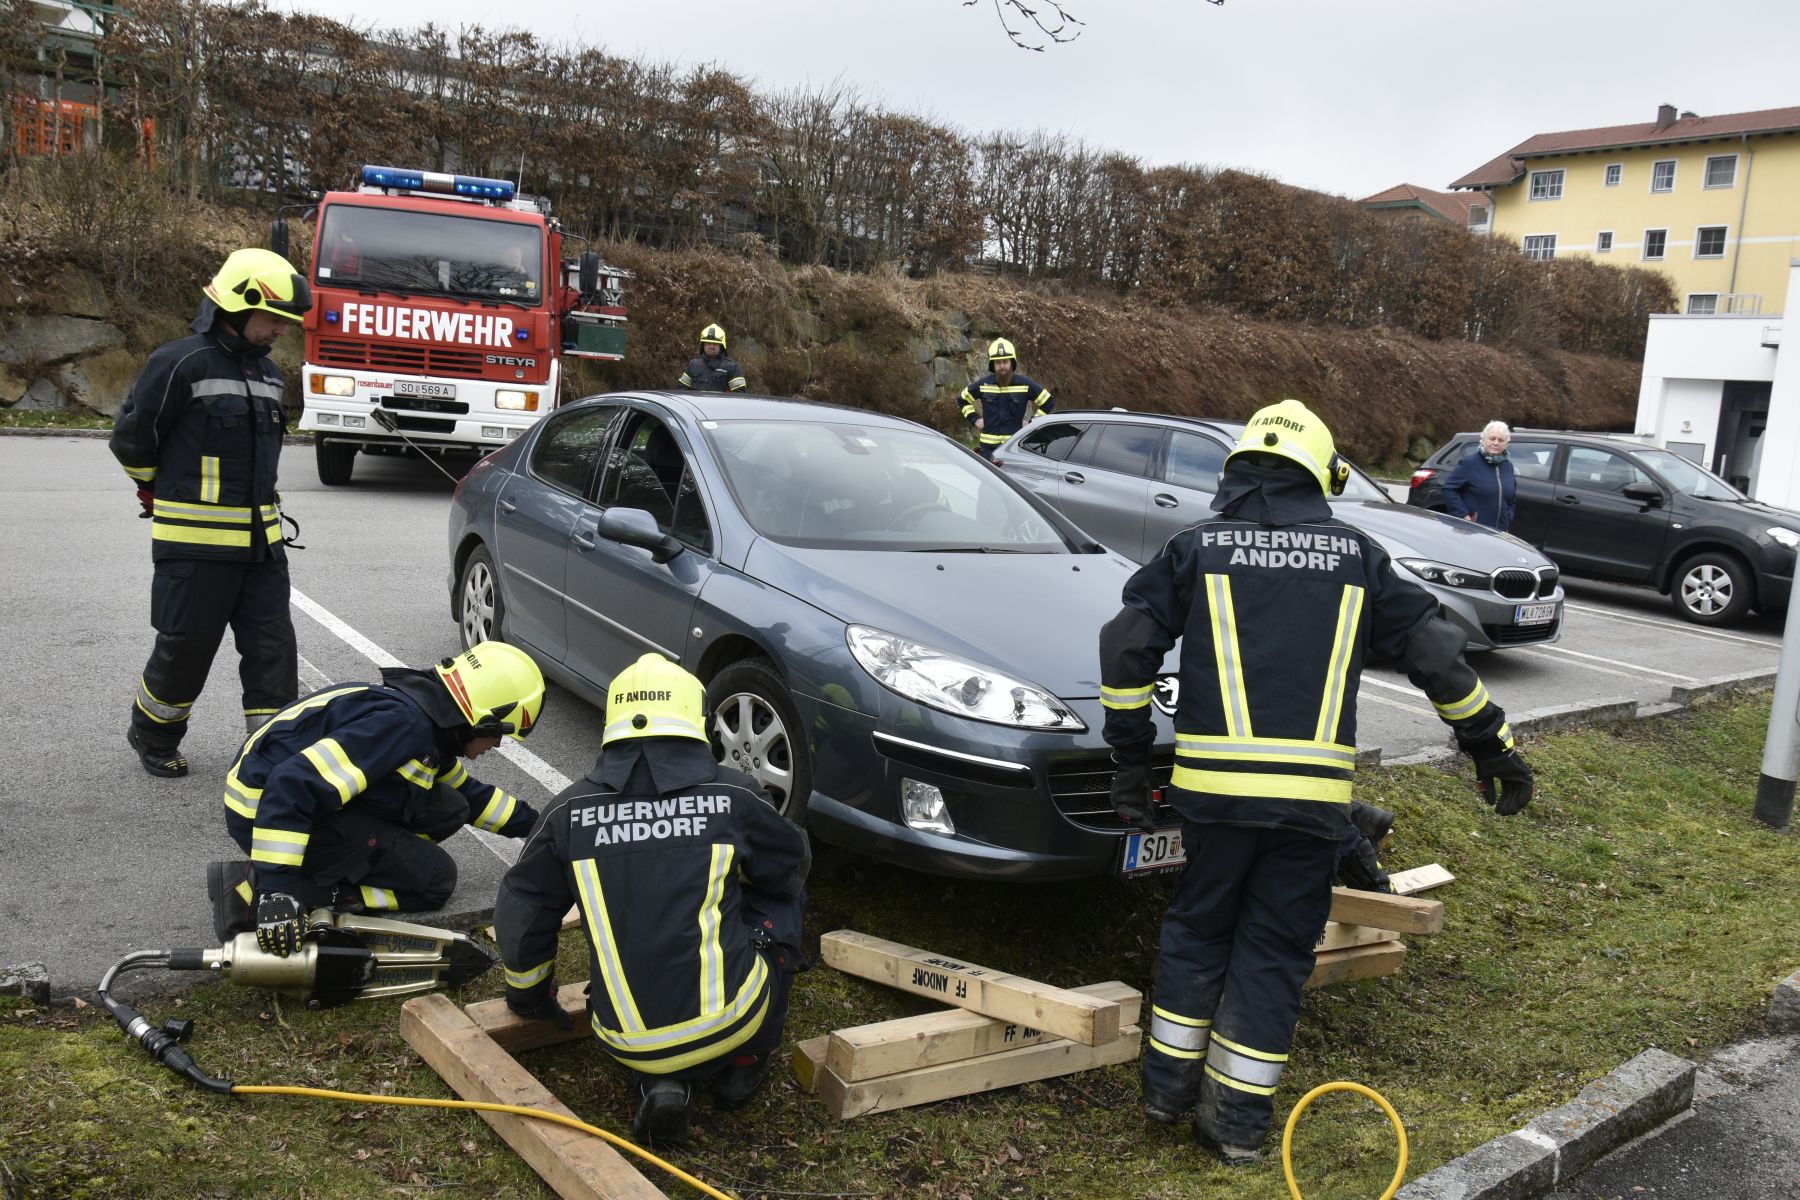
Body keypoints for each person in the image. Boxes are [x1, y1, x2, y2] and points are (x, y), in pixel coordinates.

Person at [1098, 398, 1534, 1166]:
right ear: (1320, 473)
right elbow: (1436, 655)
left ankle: (1166, 1094)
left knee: (1199, 929)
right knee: (1271, 948)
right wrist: (1491, 746)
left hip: (1212, 800)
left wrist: (1130, 760)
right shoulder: (1358, 556)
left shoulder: (1195, 547)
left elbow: (1127, 647)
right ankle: (1233, 1125)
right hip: (1310, 806)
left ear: (1237, 469)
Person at [495, 653, 809, 1148]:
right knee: (783, 896)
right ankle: (742, 1065)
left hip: (624, 1039)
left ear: (612, 724)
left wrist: (528, 998)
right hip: (733, 1021)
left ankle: (661, 1081)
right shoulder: (735, 797)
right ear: (696, 723)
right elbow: (788, 869)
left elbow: (522, 912)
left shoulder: (568, 812)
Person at [110, 248, 313, 778]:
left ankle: (271, 753)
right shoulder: (178, 362)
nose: (279, 332)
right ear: (239, 305)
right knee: (185, 649)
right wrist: (154, 490)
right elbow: (134, 439)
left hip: (262, 546)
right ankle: (152, 733)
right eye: (274, 319)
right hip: (195, 546)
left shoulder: (270, 375)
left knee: (273, 652)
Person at [205, 641, 547, 953]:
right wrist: (277, 891)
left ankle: (331, 868)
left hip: (283, 805)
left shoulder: (427, 724)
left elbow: (469, 797)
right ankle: (261, 893)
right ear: (483, 721)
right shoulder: (404, 726)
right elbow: (291, 785)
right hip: (265, 813)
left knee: (449, 807)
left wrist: (546, 826)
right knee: (435, 880)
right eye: (502, 734)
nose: (499, 745)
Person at [958, 337, 1053, 460]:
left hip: (1014, 449)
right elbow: (962, 399)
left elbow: (1048, 402)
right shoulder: (984, 385)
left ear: (1012, 363)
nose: (1002, 366)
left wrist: (1031, 424)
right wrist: (975, 420)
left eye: (1005, 362)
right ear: (993, 365)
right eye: (998, 362)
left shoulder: (1024, 385)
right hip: (988, 450)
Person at [1442, 420, 1517, 532]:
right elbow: (1448, 490)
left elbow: (1511, 499)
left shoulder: (1508, 466)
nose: (1496, 443)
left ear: (1506, 444)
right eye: (1492, 438)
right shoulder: (1470, 463)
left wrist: (1508, 517)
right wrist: (1464, 516)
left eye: (1501, 440)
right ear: (1483, 440)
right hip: (1473, 531)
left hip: (1499, 532)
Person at [678, 323, 747, 392]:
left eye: (715, 343)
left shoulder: (732, 367)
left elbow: (740, 395)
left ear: (721, 346)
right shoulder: (693, 364)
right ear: (703, 345)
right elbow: (681, 389)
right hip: (696, 403)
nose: (711, 346)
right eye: (708, 343)